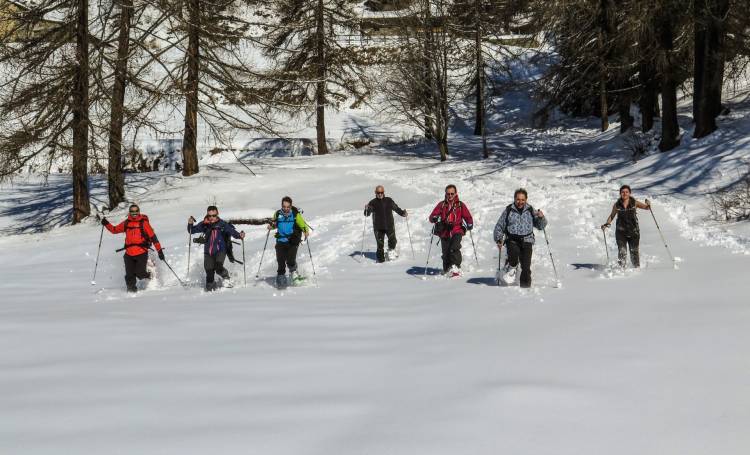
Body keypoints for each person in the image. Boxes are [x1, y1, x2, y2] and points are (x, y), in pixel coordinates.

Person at [102, 203, 165, 293]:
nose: (134, 213)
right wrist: (106, 224)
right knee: (129, 275)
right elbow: (114, 230)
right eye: (132, 211)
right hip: (129, 254)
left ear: (139, 212)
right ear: (130, 212)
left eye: (136, 211)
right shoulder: (126, 223)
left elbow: (153, 238)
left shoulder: (144, 223)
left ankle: (149, 275)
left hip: (141, 252)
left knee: (140, 273)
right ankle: (131, 293)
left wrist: (160, 251)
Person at [493, 188, 547, 288]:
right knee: (513, 255)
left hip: (527, 240)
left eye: (522, 199)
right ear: (514, 199)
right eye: (518, 199)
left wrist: (541, 217)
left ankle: (525, 287)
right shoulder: (509, 210)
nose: (520, 202)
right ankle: (511, 267)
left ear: (526, 199)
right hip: (512, 240)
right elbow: (499, 226)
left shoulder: (530, 210)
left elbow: (541, 226)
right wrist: (499, 239)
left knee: (526, 267)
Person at [188, 206, 245, 291]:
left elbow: (232, 232)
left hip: (220, 250)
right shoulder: (204, 224)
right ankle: (211, 286)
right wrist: (190, 223)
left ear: (217, 214)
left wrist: (240, 235)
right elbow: (191, 231)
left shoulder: (222, 224)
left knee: (218, 268)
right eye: (209, 215)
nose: (211, 217)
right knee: (209, 277)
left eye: (213, 215)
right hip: (208, 252)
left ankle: (227, 278)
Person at [428, 184, 474, 277]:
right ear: (445, 194)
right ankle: (447, 268)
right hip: (444, 231)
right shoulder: (442, 205)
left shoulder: (460, 205)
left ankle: (456, 267)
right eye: (448, 194)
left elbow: (467, 216)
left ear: (455, 193)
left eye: (452, 193)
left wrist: (470, 223)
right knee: (446, 253)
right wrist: (434, 218)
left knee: (454, 247)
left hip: (457, 230)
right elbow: (432, 216)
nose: (450, 196)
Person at [601, 185, 650, 268]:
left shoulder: (634, 202)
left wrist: (648, 204)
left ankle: (636, 268)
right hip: (621, 232)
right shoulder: (617, 205)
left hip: (634, 231)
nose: (625, 193)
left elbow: (646, 208)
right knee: (622, 251)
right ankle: (621, 269)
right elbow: (612, 216)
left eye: (627, 192)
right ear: (620, 193)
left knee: (634, 251)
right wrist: (606, 224)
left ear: (630, 193)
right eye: (623, 192)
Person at [268, 196, 310, 288]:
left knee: (290, 259)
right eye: (284, 206)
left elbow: (302, 224)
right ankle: (281, 276)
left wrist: (306, 231)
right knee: (280, 260)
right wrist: (271, 226)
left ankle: (293, 273)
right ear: (282, 206)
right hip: (280, 240)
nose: (286, 208)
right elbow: (274, 223)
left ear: (290, 206)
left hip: (292, 240)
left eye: (288, 207)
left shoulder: (295, 214)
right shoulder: (277, 213)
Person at [364, 185, 408, 263]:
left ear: (384, 192)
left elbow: (396, 208)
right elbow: (367, 214)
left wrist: (403, 213)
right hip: (378, 227)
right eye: (378, 192)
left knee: (393, 240)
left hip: (389, 225)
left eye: (381, 192)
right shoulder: (372, 202)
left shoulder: (389, 200)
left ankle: (391, 253)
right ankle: (380, 261)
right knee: (380, 245)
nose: (380, 194)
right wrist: (366, 209)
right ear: (375, 193)